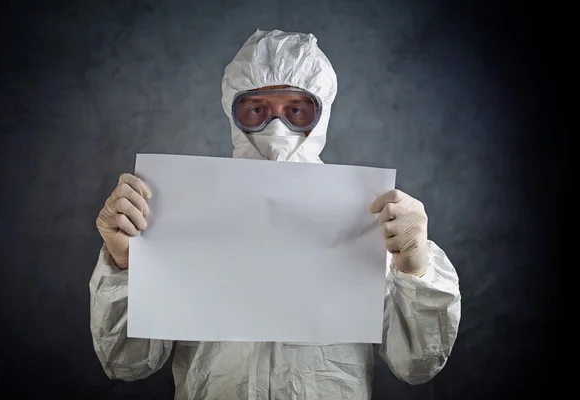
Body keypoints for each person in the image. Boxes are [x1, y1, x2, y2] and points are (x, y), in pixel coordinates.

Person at [90, 29, 461, 400]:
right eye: (257, 110)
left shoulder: (365, 219)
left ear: (322, 113)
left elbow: (417, 365)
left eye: (297, 110)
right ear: (233, 113)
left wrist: (416, 268)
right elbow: (128, 363)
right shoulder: (184, 214)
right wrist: (126, 264)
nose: (277, 128)